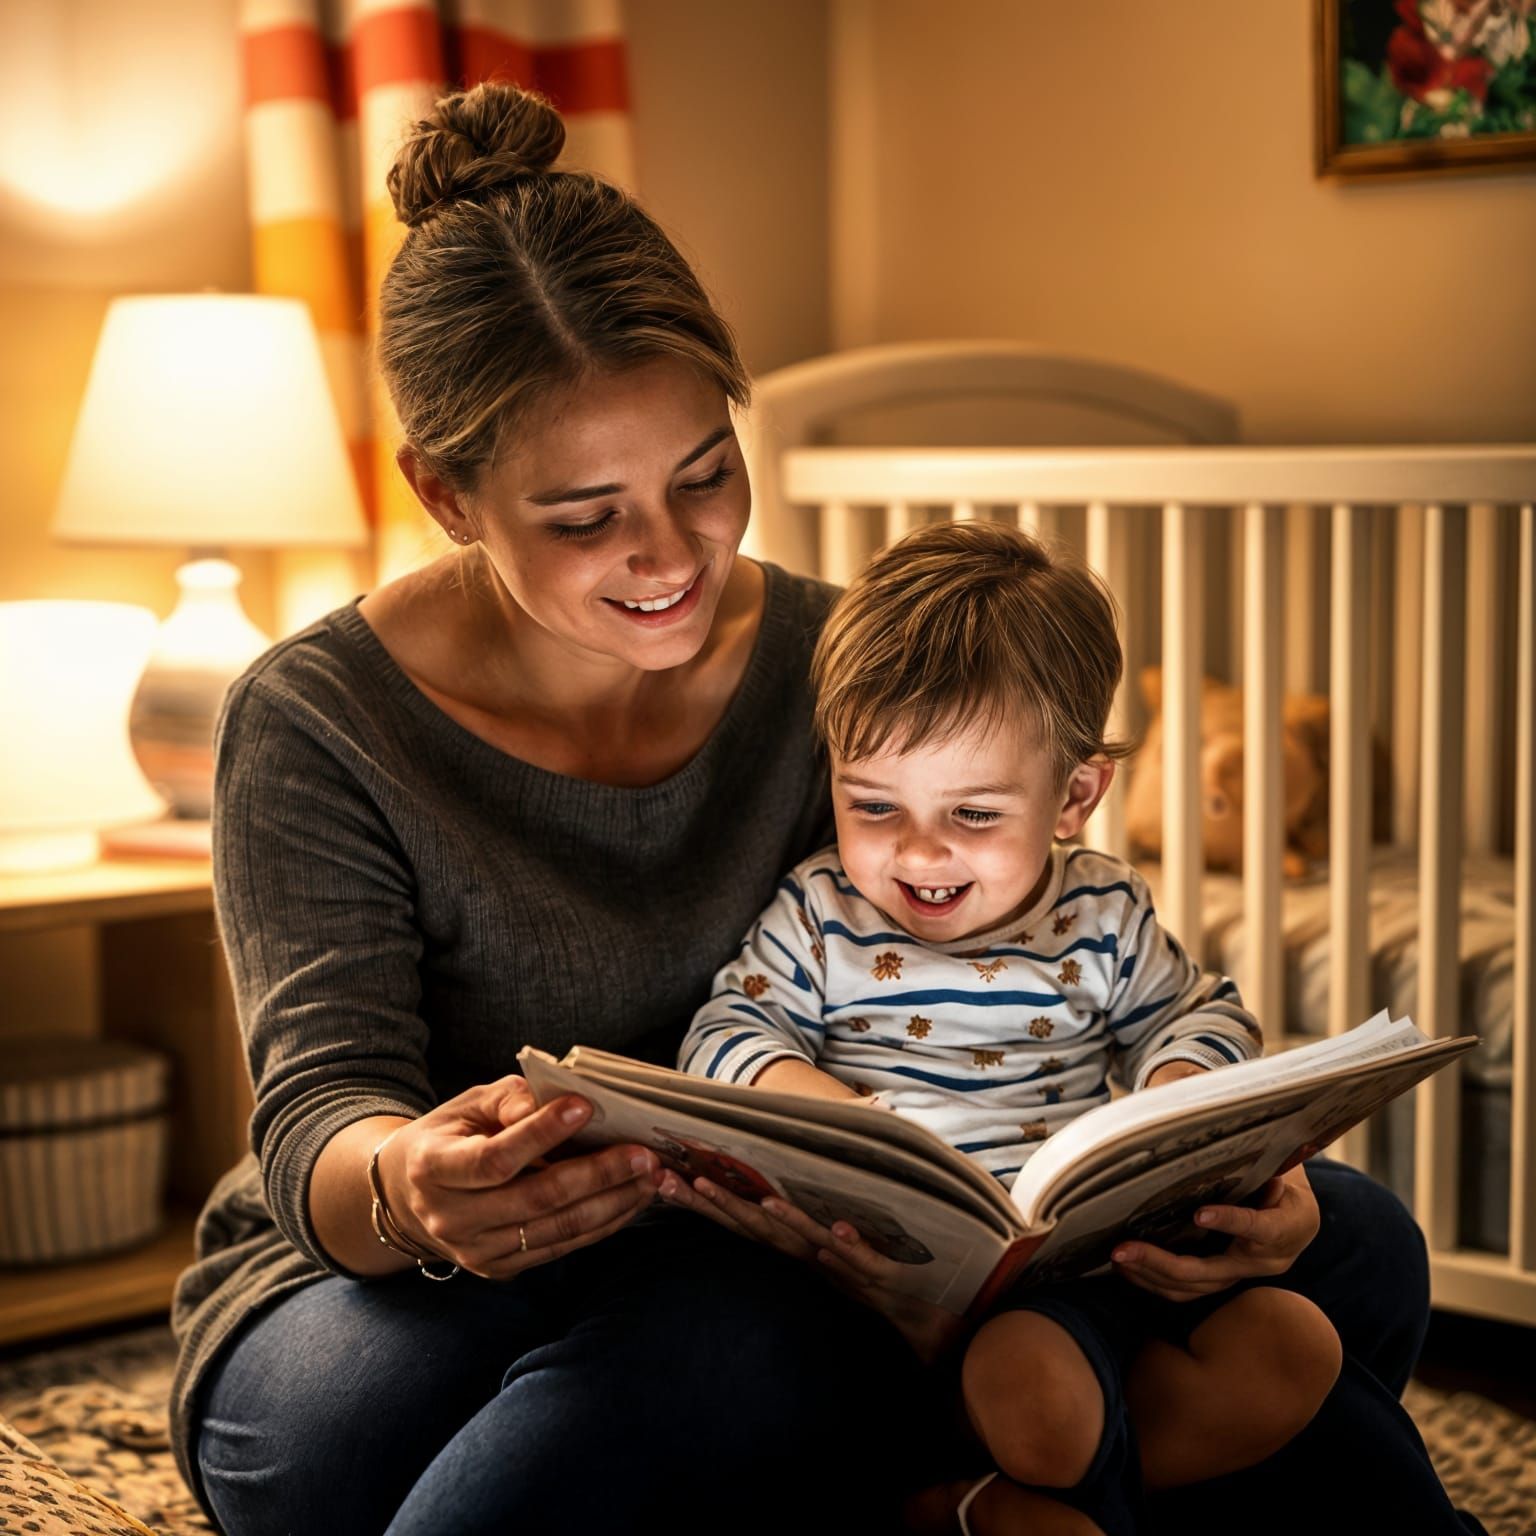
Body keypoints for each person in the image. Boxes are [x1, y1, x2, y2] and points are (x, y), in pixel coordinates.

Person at [168, 77, 1479, 1536]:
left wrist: (1216, 1176)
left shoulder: (844, 665)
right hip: (431, 1292)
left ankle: (952, 1479)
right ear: (447, 494)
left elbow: (1022, 952)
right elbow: (320, 1116)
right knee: (632, 1368)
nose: (673, 555)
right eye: (586, 516)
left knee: (1351, 1244)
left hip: (810, 1263)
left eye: (705, 474)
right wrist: (414, 1186)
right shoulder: (315, 718)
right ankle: (954, 1489)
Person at [675, 522, 1342, 1534]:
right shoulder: (822, 913)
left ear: (1075, 794)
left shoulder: (1103, 914)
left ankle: (981, 1502)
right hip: (888, 1282)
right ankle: (988, 1490)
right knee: (1039, 1390)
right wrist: (821, 1106)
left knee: (1293, 1347)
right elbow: (725, 1029)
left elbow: (1200, 1013)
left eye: (974, 816)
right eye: (873, 807)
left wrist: (1174, 1106)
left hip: (1074, 1258)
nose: (920, 851)